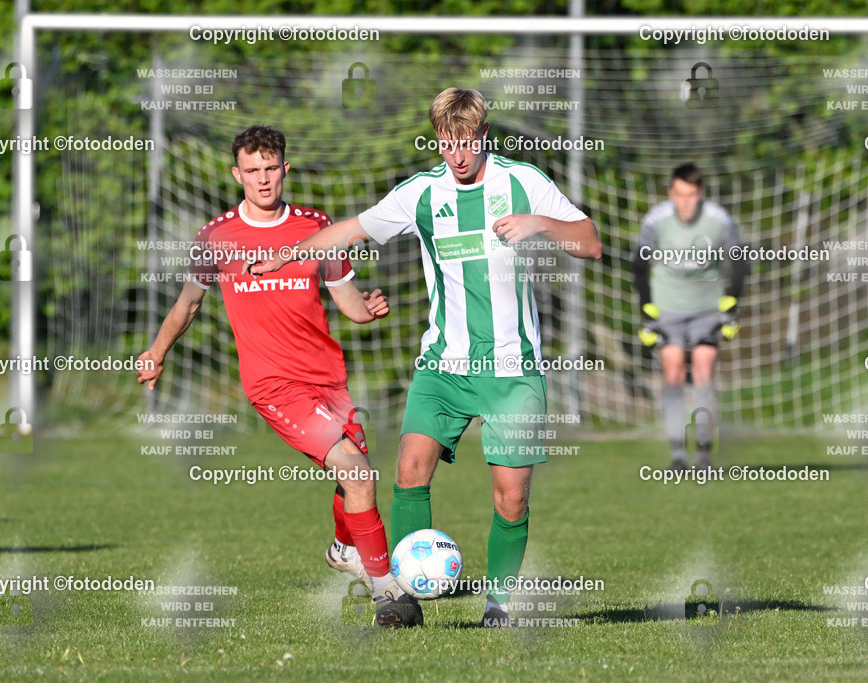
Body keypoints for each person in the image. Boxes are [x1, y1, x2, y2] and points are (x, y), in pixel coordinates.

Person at [246, 88, 602, 627]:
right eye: (446, 144)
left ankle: (499, 606)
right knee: (410, 469)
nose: (456, 155)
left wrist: (540, 225)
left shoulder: (523, 182)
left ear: (483, 136)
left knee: (511, 499)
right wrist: (285, 256)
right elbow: (349, 231)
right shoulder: (421, 193)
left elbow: (591, 241)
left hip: (513, 370)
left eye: (466, 143)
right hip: (442, 366)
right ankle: (407, 598)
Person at [136, 124, 421, 628]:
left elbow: (347, 302)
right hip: (273, 385)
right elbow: (187, 304)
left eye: (271, 169)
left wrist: (368, 310)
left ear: (285, 169)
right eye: (252, 171)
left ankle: (341, 549)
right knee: (357, 474)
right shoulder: (217, 237)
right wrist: (156, 352)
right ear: (236, 174)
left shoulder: (317, 228)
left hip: (329, 380)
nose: (263, 180)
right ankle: (387, 595)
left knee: (355, 477)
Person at [633, 163, 748, 471]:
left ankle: (704, 452)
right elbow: (639, 265)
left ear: (702, 194)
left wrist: (732, 304)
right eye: (680, 195)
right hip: (667, 306)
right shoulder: (656, 220)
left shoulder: (719, 220)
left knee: (703, 372)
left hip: (707, 308)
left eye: (692, 195)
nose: (685, 202)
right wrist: (646, 306)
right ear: (671, 193)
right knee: (671, 373)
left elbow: (739, 261)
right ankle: (677, 454)